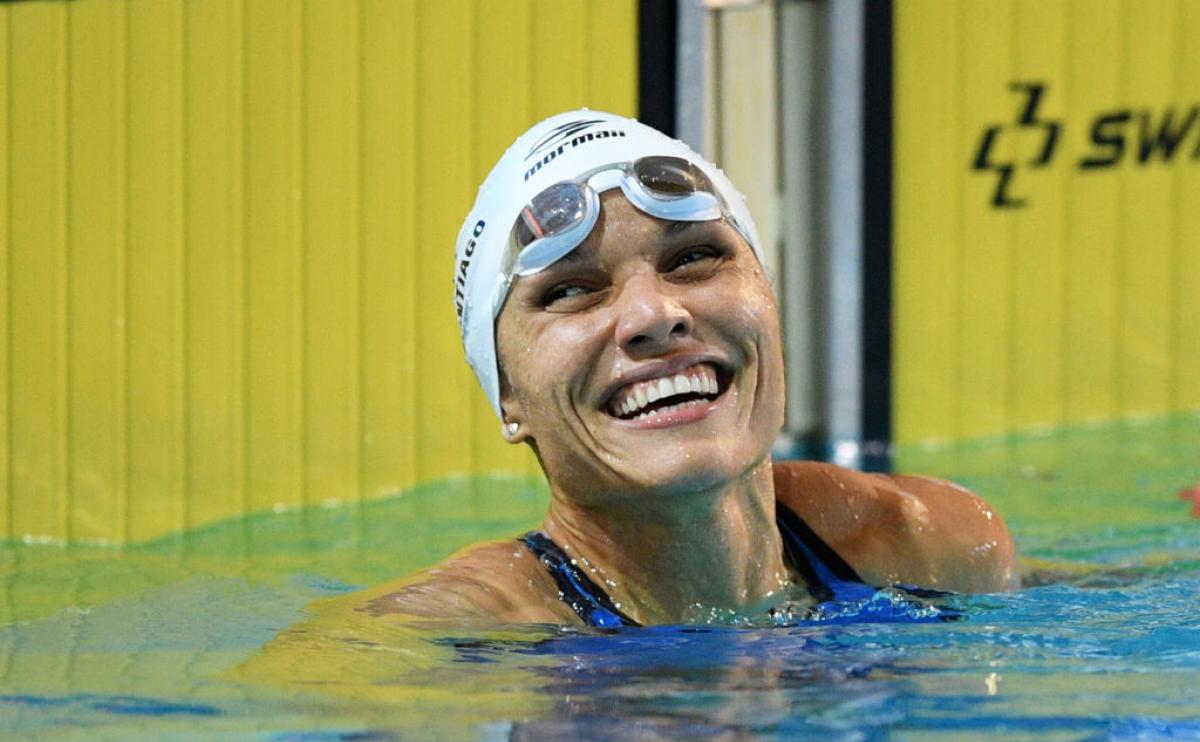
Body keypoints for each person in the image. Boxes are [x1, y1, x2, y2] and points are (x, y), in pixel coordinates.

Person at [367, 110, 1015, 627]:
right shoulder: (448, 640)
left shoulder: (929, 545)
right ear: (508, 397)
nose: (654, 312)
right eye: (571, 290)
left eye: (694, 257)